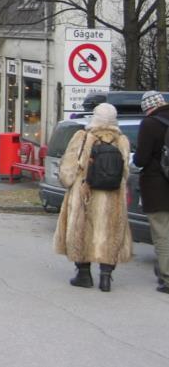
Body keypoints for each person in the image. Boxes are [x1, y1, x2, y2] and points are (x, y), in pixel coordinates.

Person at [53, 102, 132, 292]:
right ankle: (106, 277)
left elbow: (68, 171)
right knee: (109, 233)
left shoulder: (82, 138)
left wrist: (67, 182)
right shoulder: (122, 141)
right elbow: (125, 172)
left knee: (81, 229)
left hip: (84, 194)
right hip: (112, 195)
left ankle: (83, 274)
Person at [133, 91, 169, 294]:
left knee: (163, 233)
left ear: (148, 108)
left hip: (158, 188)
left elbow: (141, 159)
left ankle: (167, 277)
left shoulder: (150, 124)